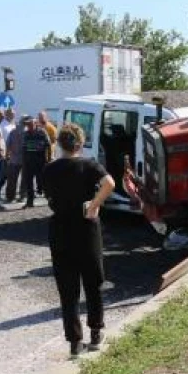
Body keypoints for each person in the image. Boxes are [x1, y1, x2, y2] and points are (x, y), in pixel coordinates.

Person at [41, 123, 115, 356]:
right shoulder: (89, 165)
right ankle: (95, 332)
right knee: (93, 282)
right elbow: (110, 183)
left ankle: (74, 340)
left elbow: (48, 195)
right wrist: (94, 205)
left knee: (67, 288)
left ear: (59, 144)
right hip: (86, 227)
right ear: (80, 144)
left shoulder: (49, 169)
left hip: (60, 228)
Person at [21, 117, 51, 208]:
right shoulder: (25, 134)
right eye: (27, 125)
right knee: (29, 182)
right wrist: (23, 161)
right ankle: (30, 202)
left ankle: (50, 199)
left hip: (40, 161)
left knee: (43, 181)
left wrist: (49, 158)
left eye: (30, 124)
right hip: (28, 161)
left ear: (35, 124)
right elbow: (24, 148)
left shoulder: (42, 132)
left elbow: (48, 145)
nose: (28, 126)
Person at [5, 115, 27, 203]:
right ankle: (22, 196)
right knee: (24, 179)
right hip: (25, 158)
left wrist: (7, 156)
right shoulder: (27, 132)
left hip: (14, 158)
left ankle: (10, 197)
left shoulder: (13, 132)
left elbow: (8, 145)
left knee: (12, 179)